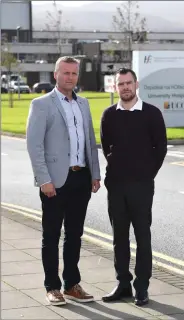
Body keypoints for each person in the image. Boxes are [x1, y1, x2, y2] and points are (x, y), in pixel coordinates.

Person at [26, 56, 101, 306]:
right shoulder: (42, 104)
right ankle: (52, 286)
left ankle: (71, 284)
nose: (70, 77)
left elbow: (90, 141)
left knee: (75, 235)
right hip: (55, 181)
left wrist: (95, 173)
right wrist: (43, 179)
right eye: (65, 73)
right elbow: (34, 145)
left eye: (74, 73)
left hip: (81, 178)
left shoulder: (84, 104)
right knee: (51, 236)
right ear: (55, 74)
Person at [100, 68, 167, 306]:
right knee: (119, 238)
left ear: (136, 84)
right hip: (116, 187)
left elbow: (161, 149)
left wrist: (146, 174)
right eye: (121, 84)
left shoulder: (151, 114)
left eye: (129, 83)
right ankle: (123, 284)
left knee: (142, 237)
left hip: (141, 187)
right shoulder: (109, 115)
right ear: (116, 87)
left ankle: (142, 287)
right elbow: (106, 145)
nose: (125, 87)